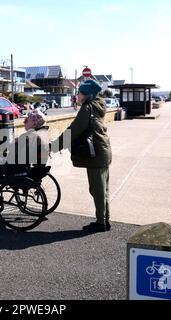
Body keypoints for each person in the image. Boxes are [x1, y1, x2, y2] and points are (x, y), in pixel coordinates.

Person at [52, 80, 113, 233]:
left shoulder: (87, 108)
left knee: (97, 190)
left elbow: (74, 130)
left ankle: (101, 222)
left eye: (79, 93)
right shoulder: (97, 106)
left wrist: (54, 146)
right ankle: (104, 220)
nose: (77, 96)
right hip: (103, 151)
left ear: (88, 95)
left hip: (96, 154)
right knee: (102, 189)